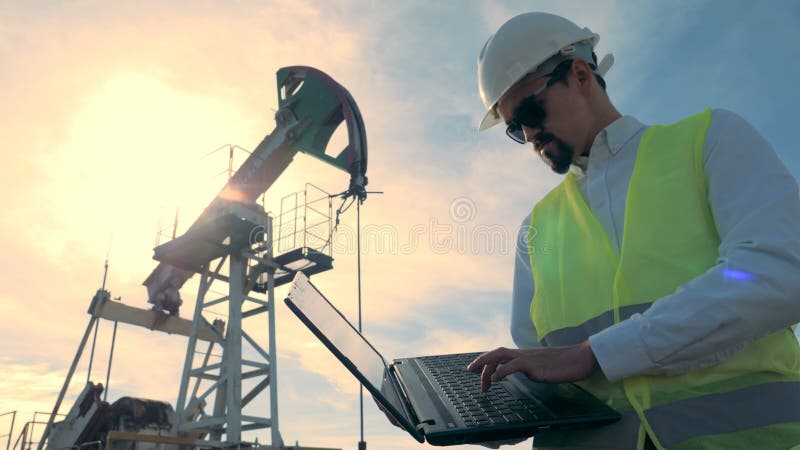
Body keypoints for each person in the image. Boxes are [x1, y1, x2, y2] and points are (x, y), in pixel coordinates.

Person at [466, 11, 800, 450]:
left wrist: (594, 354)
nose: (529, 134)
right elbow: (542, 376)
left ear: (581, 75)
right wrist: (464, 414)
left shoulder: (709, 141)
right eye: (514, 127)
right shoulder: (536, 229)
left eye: (531, 110)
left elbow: (780, 274)